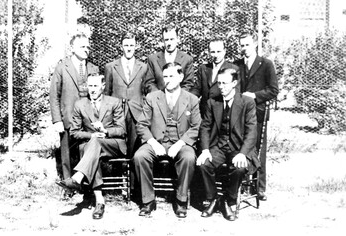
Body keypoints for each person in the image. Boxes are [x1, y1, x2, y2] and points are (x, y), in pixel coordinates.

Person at [133, 62, 201, 218]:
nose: (167, 80)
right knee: (140, 156)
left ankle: (181, 200)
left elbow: (196, 127)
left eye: (172, 76)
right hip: (157, 141)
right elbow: (141, 124)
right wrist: (153, 143)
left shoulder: (191, 99)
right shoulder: (152, 97)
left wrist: (180, 143)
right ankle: (148, 201)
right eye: (165, 76)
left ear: (181, 77)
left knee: (189, 157)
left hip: (180, 142)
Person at [56, 74, 127, 220]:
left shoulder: (114, 102)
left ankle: (77, 178)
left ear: (103, 86)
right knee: (93, 146)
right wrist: (92, 136)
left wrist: (105, 131)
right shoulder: (80, 104)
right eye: (90, 86)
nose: (92, 89)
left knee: (92, 147)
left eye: (95, 86)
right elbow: (74, 133)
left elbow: (122, 130)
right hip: (92, 146)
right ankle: (99, 201)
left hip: (112, 143)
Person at [196, 68, 259, 221]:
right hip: (219, 147)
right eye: (219, 83)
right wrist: (205, 150)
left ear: (235, 83)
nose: (221, 87)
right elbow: (205, 127)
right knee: (204, 164)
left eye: (225, 83)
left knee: (239, 168)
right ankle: (213, 199)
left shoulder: (247, 102)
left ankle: (228, 200)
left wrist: (243, 153)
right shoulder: (213, 102)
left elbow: (252, 132)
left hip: (239, 148)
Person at [234, 32, 279, 201]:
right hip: (240, 114)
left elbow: (273, 90)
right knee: (242, 147)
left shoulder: (266, 64)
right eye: (241, 45)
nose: (244, 48)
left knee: (259, 151)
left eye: (247, 45)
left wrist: (254, 96)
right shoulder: (236, 65)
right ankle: (242, 184)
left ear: (254, 45)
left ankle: (260, 187)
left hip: (259, 113)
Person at [50, 33, 99, 181]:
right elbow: (54, 95)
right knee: (67, 153)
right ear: (72, 48)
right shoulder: (61, 68)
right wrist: (57, 120)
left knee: (86, 150)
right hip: (68, 118)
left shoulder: (93, 68)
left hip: (88, 120)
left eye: (88, 46)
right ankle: (67, 183)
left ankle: (86, 184)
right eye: (82, 46)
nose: (86, 49)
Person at [104, 32, 147, 157]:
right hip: (117, 113)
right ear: (121, 46)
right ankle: (119, 174)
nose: (129, 48)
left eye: (131, 45)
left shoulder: (144, 67)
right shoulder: (110, 67)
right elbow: (107, 93)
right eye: (126, 45)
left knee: (135, 149)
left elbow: (145, 92)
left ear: (136, 46)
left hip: (136, 113)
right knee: (118, 146)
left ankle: (133, 177)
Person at [190, 37, 239, 117]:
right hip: (205, 113)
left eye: (219, 51)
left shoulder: (233, 69)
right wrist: (188, 99)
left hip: (222, 113)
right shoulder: (203, 68)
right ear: (209, 52)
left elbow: (236, 93)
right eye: (213, 52)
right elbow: (197, 89)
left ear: (224, 51)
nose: (216, 55)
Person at [143, 24, 194, 94]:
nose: (169, 43)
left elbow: (188, 83)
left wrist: (176, 98)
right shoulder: (153, 59)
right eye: (166, 40)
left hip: (179, 102)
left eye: (172, 39)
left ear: (177, 39)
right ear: (163, 41)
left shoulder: (187, 59)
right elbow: (149, 83)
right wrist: (160, 97)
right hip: (159, 101)